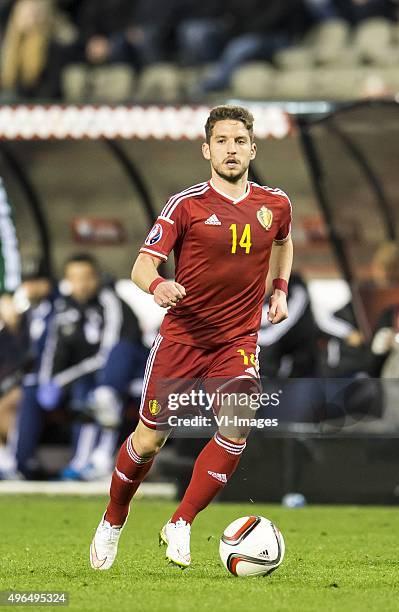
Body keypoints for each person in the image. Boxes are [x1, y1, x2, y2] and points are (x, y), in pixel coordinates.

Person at [90, 105, 293, 570]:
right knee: (149, 440)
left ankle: (180, 522)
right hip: (183, 339)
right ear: (207, 150)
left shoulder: (275, 203)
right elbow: (143, 264)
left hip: (237, 340)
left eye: (239, 141)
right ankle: (114, 518)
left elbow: (284, 241)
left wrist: (279, 289)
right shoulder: (187, 205)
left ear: (252, 149)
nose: (231, 149)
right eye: (221, 141)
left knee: (239, 421)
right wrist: (159, 284)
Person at [14, 253, 146, 480]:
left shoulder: (111, 303)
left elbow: (109, 355)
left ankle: (82, 462)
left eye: (86, 278)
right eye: (74, 278)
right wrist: (48, 380)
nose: (81, 284)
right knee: (29, 393)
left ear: (96, 278)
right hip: (70, 376)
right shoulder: (61, 307)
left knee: (88, 393)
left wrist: (62, 380)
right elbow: (50, 349)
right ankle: (21, 464)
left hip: (107, 377)